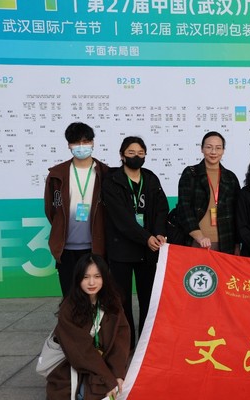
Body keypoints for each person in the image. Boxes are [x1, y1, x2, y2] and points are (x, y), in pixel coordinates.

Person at [102, 136, 169, 348]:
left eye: (140, 153)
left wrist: (159, 233)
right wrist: (146, 237)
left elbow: (161, 209)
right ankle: (126, 343)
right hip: (121, 249)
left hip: (148, 250)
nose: (136, 156)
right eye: (131, 153)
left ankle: (147, 343)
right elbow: (121, 218)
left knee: (149, 298)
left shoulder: (150, 178)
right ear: (122, 155)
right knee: (121, 300)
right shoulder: (112, 181)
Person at [46, 253, 130, 400]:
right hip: (75, 364)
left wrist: (117, 374)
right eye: (86, 277)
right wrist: (108, 380)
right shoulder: (69, 307)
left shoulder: (112, 302)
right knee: (86, 393)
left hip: (105, 363)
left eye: (97, 276)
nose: (92, 282)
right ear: (78, 279)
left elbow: (120, 340)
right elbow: (80, 351)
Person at [44, 122, 109, 297]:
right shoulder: (57, 174)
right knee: (70, 295)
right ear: (69, 145)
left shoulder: (105, 173)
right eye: (76, 142)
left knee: (95, 296)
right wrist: (60, 227)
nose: (81, 146)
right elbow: (51, 210)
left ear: (93, 143)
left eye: (86, 141)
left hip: (96, 246)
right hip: (66, 247)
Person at [177, 131, 241, 254]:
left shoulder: (230, 178)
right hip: (196, 242)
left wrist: (237, 245)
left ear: (223, 151)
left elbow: (237, 214)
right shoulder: (191, 174)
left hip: (226, 243)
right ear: (202, 149)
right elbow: (184, 208)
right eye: (209, 147)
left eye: (218, 148)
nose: (213, 152)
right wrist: (199, 236)